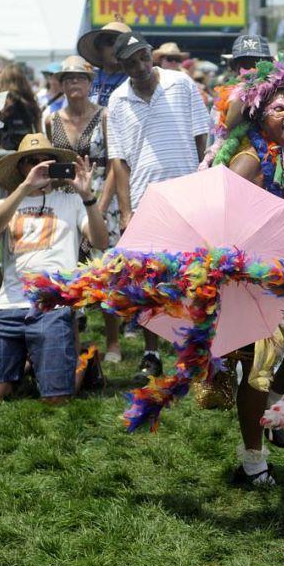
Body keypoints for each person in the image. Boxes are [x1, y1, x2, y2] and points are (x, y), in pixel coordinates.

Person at [212, 55, 284, 486]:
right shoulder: (251, 161)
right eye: (279, 108)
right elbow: (219, 217)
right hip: (251, 275)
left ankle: (274, 410)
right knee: (258, 368)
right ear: (261, 119)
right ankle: (253, 464)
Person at [107, 31, 209, 379]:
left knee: (194, 276)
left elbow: (201, 136)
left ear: (150, 54)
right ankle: (152, 354)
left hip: (187, 193)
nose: (141, 65)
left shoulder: (180, 84)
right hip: (145, 198)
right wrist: (125, 211)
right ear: (121, 66)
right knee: (150, 281)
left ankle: (194, 351)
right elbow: (118, 161)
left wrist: (203, 180)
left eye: (143, 56)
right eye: (132, 62)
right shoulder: (118, 101)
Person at [0, 134, 108, 402]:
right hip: (8, 305)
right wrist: (25, 187)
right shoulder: (7, 203)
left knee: (56, 398)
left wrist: (88, 197)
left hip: (53, 304)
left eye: (46, 160)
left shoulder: (70, 201)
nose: (40, 165)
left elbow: (100, 241)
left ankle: (85, 359)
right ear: (21, 167)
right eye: (31, 161)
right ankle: (32, 361)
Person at [45, 55, 122, 362]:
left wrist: (100, 207)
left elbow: (117, 162)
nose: (73, 83)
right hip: (64, 200)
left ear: (91, 83)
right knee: (67, 267)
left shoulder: (104, 115)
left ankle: (114, 342)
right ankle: (71, 339)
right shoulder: (50, 119)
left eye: (79, 77)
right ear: (60, 84)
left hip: (102, 195)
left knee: (106, 270)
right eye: (67, 78)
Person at [77, 21, 130, 107]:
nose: (116, 47)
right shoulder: (89, 77)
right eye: (111, 42)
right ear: (99, 47)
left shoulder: (135, 79)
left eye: (121, 43)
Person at [0, 64, 42, 152]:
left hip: (4, 154)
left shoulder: (1, 101)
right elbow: (38, 131)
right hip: (27, 152)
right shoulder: (31, 103)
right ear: (23, 81)